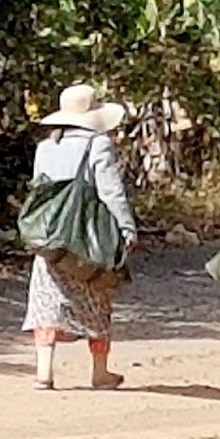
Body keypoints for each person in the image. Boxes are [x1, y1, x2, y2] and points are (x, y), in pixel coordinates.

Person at [21, 84, 137, 390]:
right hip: (86, 234)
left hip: (51, 234)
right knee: (95, 293)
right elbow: (110, 190)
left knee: (48, 297)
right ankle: (100, 371)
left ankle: (44, 370)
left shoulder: (46, 146)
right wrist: (126, 227)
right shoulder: (98, 144)